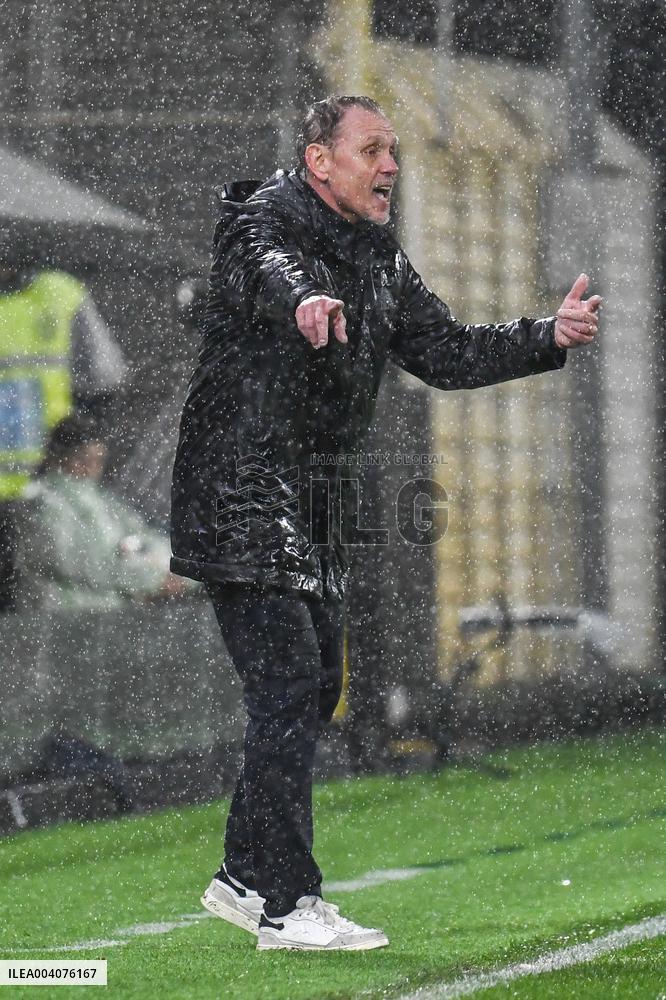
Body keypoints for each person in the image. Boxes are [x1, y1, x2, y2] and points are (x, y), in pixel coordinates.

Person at [169, 95, 600, 952]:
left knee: (315, 687)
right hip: (241, 489)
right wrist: (303, 301)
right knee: (290, 687)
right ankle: (289, 906)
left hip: (316, 497)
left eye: (394, 150)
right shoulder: (262, 222)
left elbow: (445, 353)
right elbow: (269, 268)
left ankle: (242, 876)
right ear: (320, 161)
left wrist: (544, 336)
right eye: (373, 150)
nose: (391, 166)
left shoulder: (379, 258)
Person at [0, 264, 127, 611]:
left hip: (43, 487)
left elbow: (104, 383)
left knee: (35, 600)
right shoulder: (58, 295)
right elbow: (105, 381)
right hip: (41, 486)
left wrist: (76, 439)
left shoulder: (58, 296)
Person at [15, 414, 194, 612]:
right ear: (57, 458)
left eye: (98, 460)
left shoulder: (103, 501)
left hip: (109, 619)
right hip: (65, 617)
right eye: (82, 459)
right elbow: (83, 561)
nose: (91, 468)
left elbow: (143, 538)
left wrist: (180, 571)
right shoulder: (42, 502)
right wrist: (151, 579)